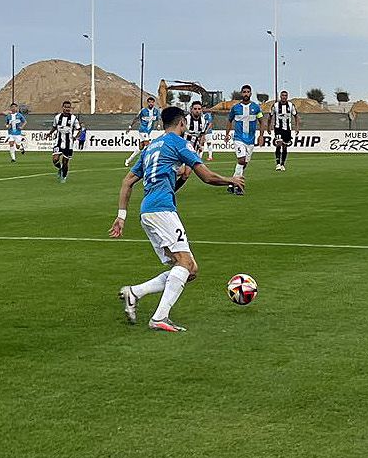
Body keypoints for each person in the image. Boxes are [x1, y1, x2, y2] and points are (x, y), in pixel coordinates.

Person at [108, 106, 244, 332]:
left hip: (148, 212)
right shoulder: (178, 143)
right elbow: (207, 177)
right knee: (186, 264)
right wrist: (232, 180)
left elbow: (127, 182)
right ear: (182, 123)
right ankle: (159, 318)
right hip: (162, 211)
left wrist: (121, 216)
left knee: (189, 269)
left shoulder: (151, 147)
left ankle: (135, 292)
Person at [225, 85, 263, 195]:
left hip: (250, 140)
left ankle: (232, 183)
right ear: (241, 93)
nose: (246, 94)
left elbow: (262, 122)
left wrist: (261, 136)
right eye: (244, 92)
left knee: (244, 163)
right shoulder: (235, 108)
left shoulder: (256, 107)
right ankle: (238, 186)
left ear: (251, 94)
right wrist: (227, 134)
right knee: (241, 160)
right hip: (238, 138)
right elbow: (229, 121)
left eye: (248, 92)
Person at [46, 100, 82, 182]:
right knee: (55, 159)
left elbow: (80, 129)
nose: (67, 109)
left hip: (68, 144)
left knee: (65, 162)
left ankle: (64, 177)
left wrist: (75, 137)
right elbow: (54, 127)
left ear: (70, 108)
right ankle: (60, 168)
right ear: (62, 107)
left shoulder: (73, 119)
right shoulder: (57, 117)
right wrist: (49, 133)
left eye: (68, 107)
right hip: (58, 142)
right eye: (65, 107)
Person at [268, 90, 300, 172]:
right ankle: (278, 164)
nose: (284, 97)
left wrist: (297, 127)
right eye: (282, 95)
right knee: (279, 144)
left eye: (285, 95)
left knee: (285, 147)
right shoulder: (275, 105)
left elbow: (296, 116)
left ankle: (282, 164)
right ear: (280, 96)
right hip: (278, 128)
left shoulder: (290, 105)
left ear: (287, 97)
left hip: (287, 129)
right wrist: (268, 127)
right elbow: (270, 116)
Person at [125, 96, 160, 167]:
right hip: (143, 130)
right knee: (148, 145)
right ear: (147, 103)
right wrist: (130, 127)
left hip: (148, 131)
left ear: (154, 103)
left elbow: (158, 118)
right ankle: (149, 162)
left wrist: (158, 125)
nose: (151, 103)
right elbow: (136, 118)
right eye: (149, 102)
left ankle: (128, 160)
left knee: (140, 147)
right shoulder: (143, 111)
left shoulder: (156, 111)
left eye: (152, 102)